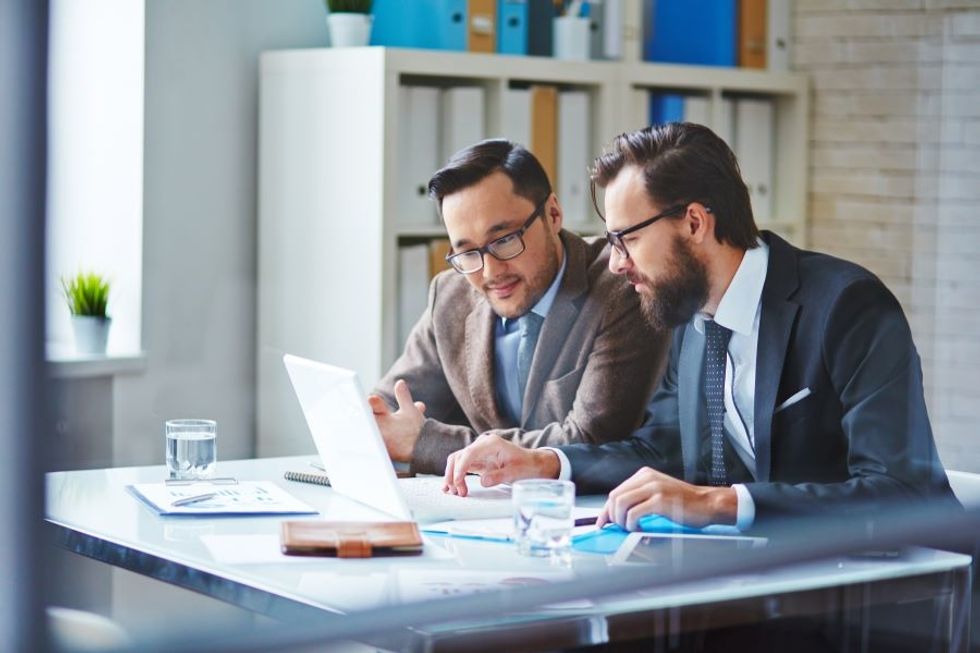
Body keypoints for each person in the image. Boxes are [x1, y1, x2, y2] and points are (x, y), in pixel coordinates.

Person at [442, 123, 957, 531]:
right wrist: (544, 463)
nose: (617, 263)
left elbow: (900, 491)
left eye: (627, 240)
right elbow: (658, 448)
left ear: (694, 223)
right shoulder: (691, 320)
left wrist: (718, 503)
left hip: (902, 598)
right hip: (772, 584)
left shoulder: (847, 307)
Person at [370, 139, 670, 475]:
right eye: (467, 252)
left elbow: (589, 440)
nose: (490, 271)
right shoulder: (451, 295)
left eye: (505, 240)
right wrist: (370, 424)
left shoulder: (621, 287)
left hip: (583, 511)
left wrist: (427, 443)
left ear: (553, 214)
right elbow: (388, 410)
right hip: (481, 516)